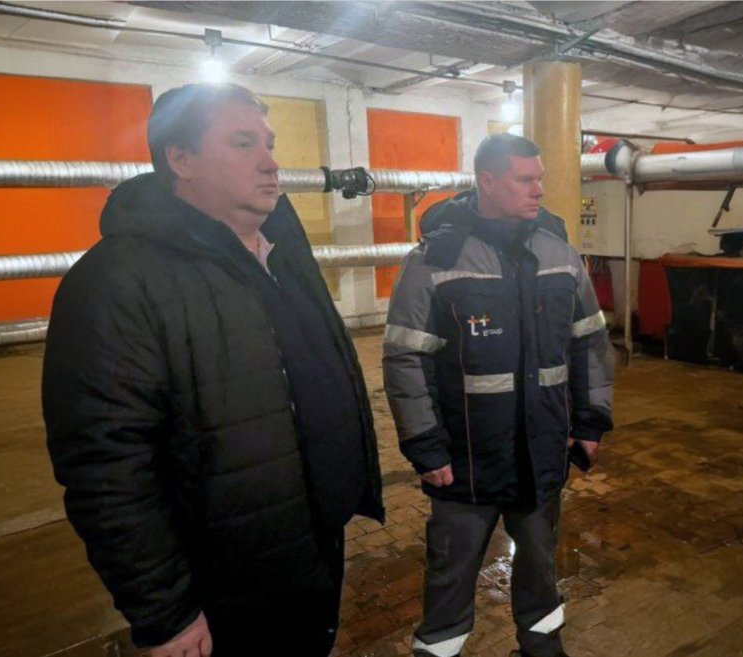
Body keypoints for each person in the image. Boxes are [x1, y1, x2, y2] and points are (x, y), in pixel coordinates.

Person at [42, 82, 384, 657]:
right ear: (181, 159)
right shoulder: (115, 282)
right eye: (243, 143)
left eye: (269, 144)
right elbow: (107, 467)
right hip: (219, 583)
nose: (270, 162)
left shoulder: (282, 255)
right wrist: (166, 612)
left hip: (309, 546)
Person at [382, 133, 614, 657]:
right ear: (487, 181)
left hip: (542, 452)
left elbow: (590, 342)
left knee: (541, 566)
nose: (539, 190)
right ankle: (439, 649)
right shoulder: (434, 259)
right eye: (525, 179)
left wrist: (590, 422)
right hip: (465, 464)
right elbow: (405, 359)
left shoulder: (559, 253)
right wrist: (425, 446)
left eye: (540, 179)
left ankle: (542, 648)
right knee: (451, 575)